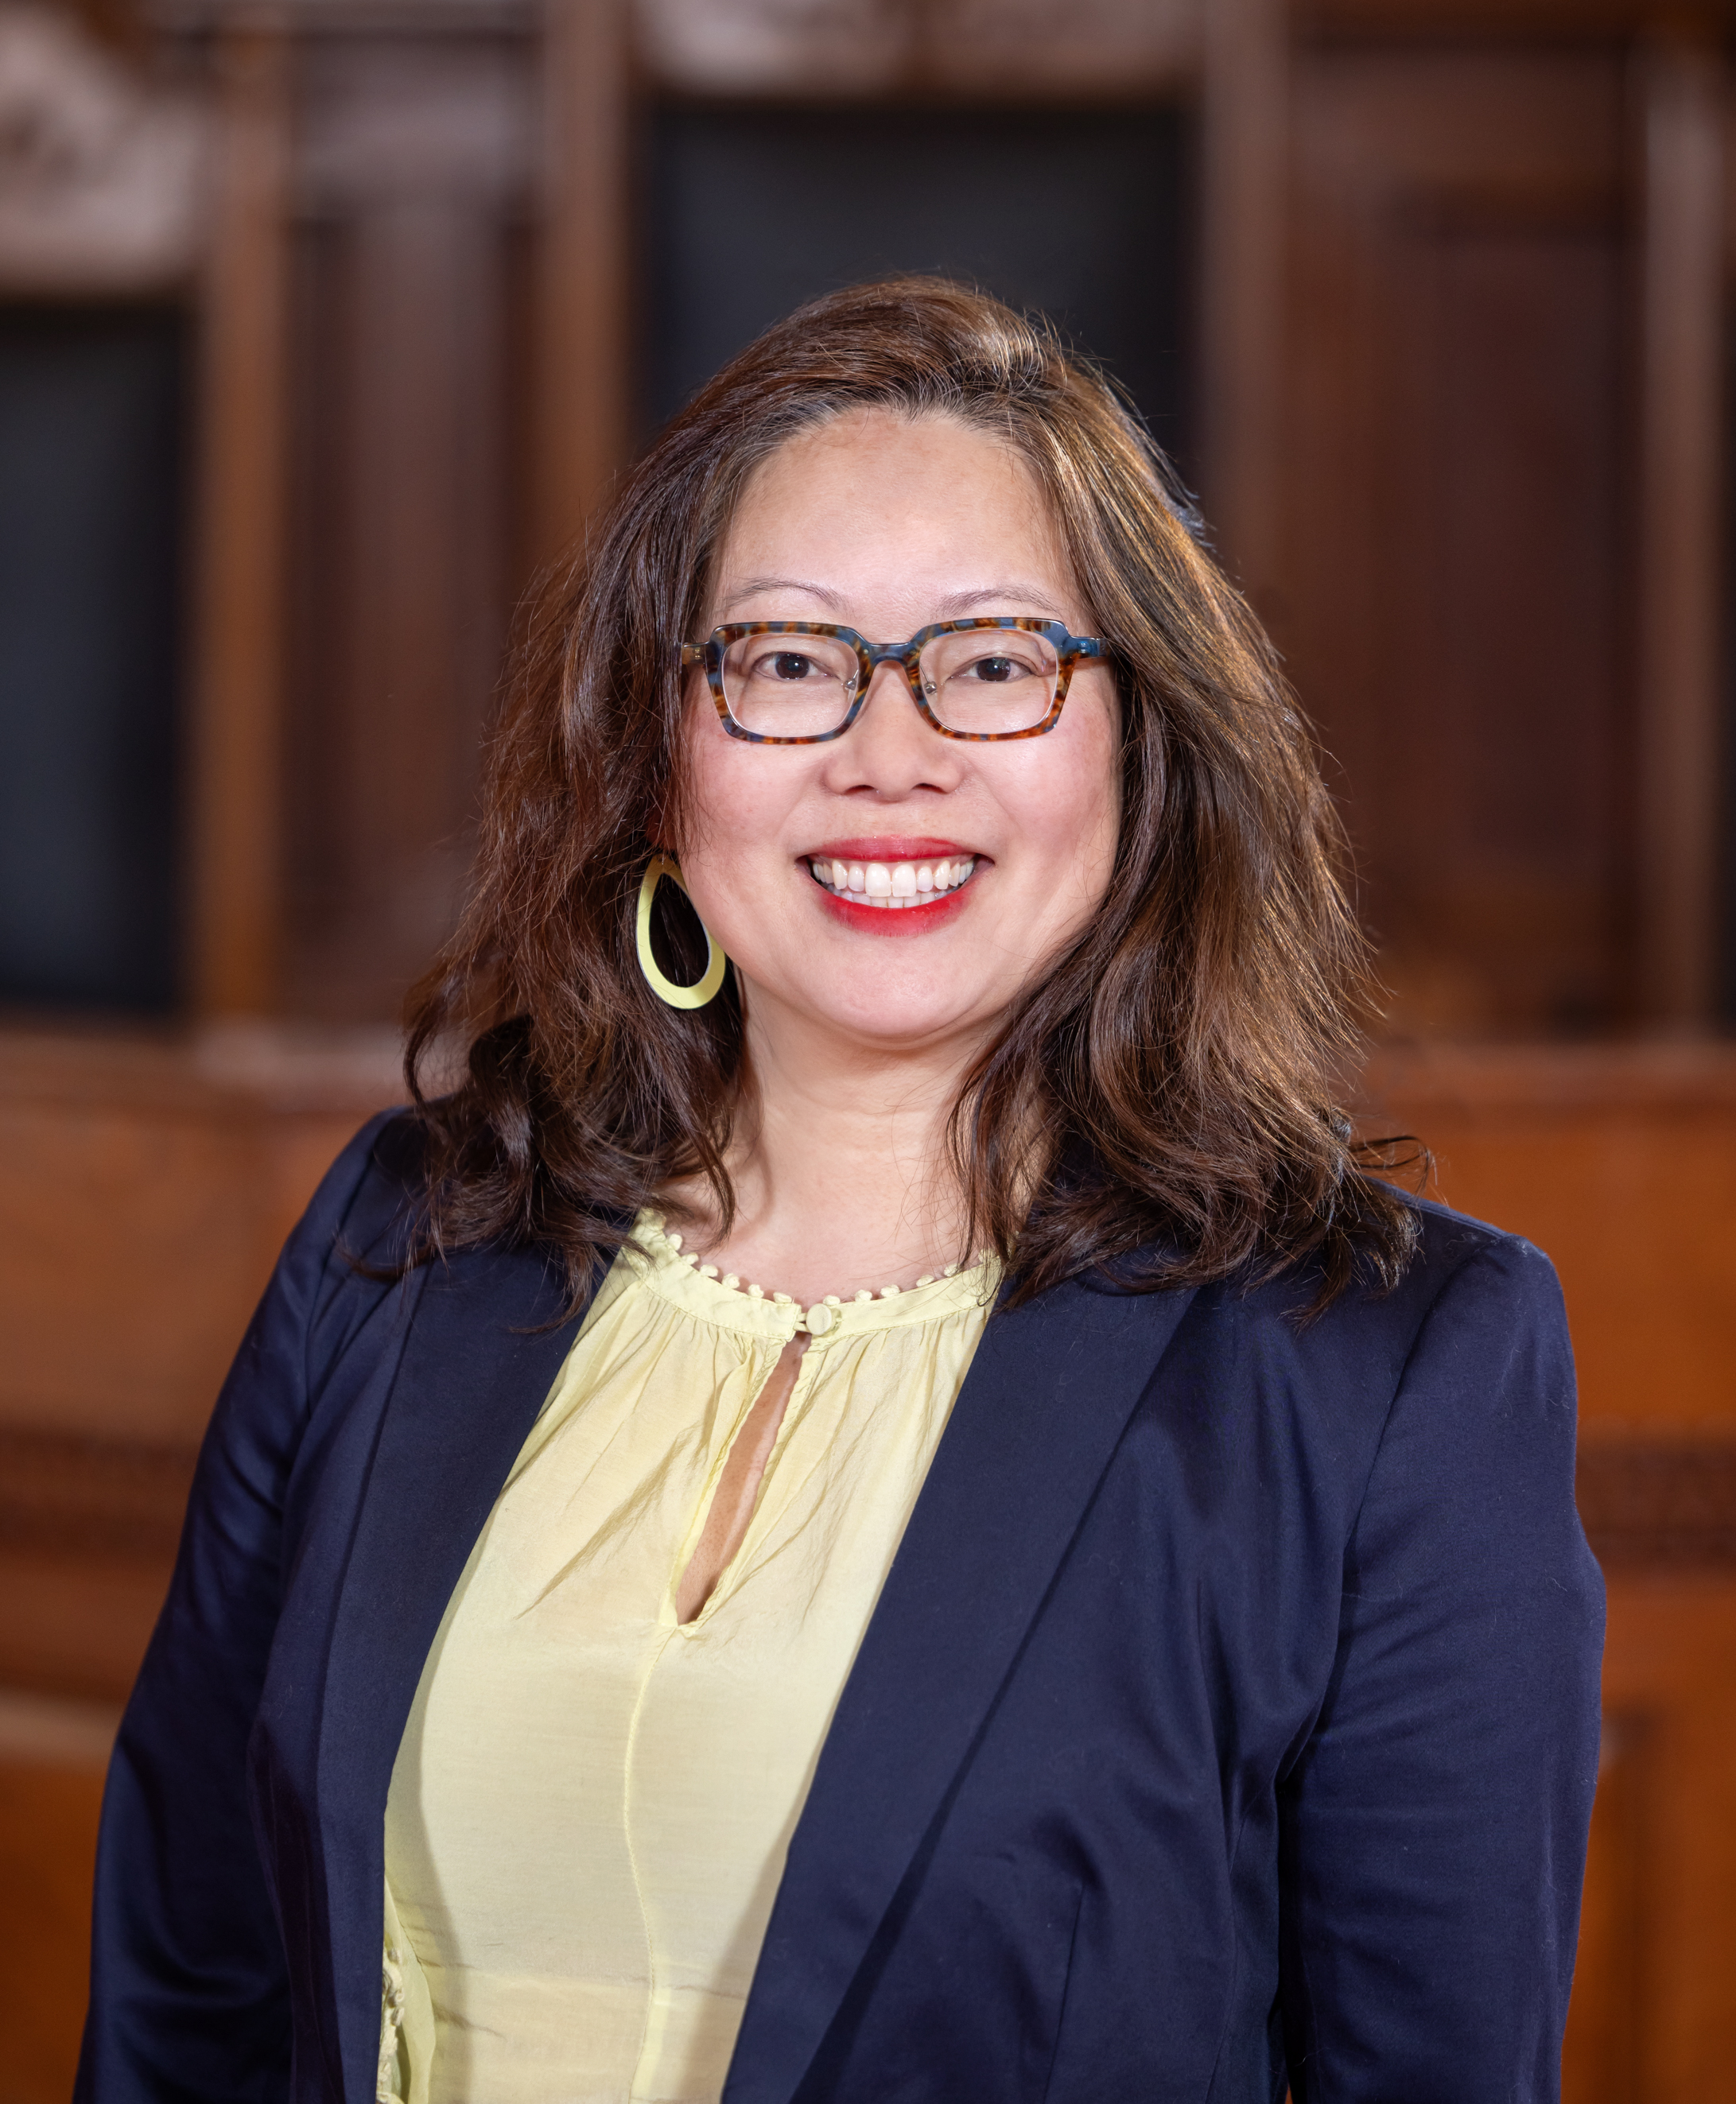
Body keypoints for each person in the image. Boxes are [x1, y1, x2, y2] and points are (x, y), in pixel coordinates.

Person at [76, 278, 1603, 2104]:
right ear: (656, 754)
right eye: (791, 661)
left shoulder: (1389, 1374)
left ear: (1142, 745)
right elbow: (188, 2000)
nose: (891, 754)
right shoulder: (402, 1240)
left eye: (996, 660)